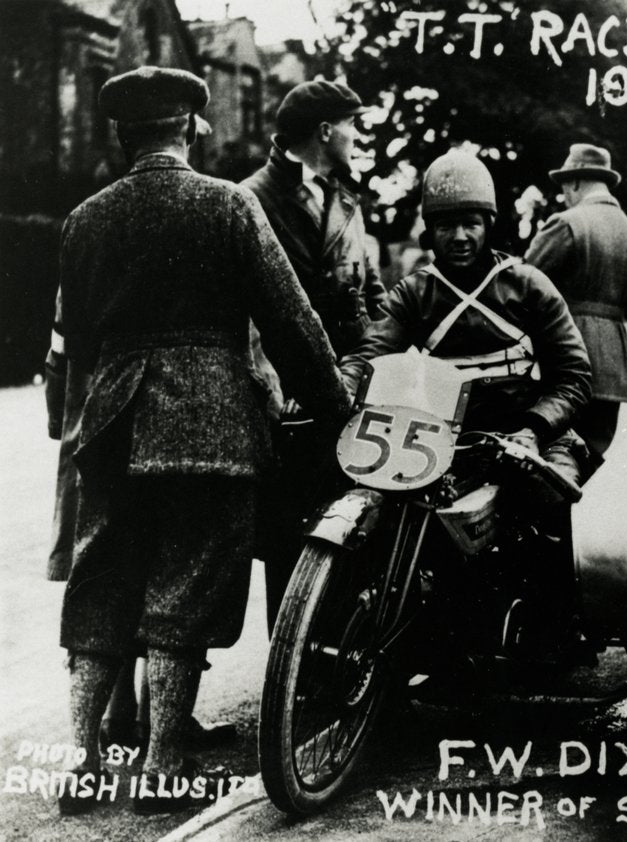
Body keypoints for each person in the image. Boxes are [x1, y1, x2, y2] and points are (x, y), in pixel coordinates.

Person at [56, 66, 348, 815]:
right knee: (187, 583)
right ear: (190, 127)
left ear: (123, 134)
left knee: (103, 579)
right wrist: (335, 407)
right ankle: (160, 764)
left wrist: (82, 424)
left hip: (114, 421)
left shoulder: (85, 219)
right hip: (209, 421)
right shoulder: (229, 205)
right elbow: (291, 321)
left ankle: (83, 757)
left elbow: (77, 341)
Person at [339, 149, 592, 653]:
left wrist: (534, 429)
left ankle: (559, 630)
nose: (459, 237)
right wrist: (343, 388)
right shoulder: (413, 294)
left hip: (528, 436)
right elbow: (368, 357)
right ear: (429, 232)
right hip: (446, 442)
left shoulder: (528, 285)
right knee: (397, 519)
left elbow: (574, 375)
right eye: (447, 225)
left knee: (554, 504)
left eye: (471, 224)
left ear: (489, 225)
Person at [242, 80, 386, 630]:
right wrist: (272, 393)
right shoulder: (252, 196)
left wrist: (381, 364)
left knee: (356, 521)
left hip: (352, 389)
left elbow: (371, 294)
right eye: (351, 124)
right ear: (325, 131)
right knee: (293, 540)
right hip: (293, 397)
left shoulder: (348, 197)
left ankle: (343, 670)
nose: (356, 135)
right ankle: (294, 676)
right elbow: (249, 318)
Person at [524, 143, 627, 456]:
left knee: (556, 456)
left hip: (565, 357)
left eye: (565, 187)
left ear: (576, 182)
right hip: (614, 364)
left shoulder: (567, 222)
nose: (564, 195)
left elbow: (524, 284)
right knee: (594, 454)